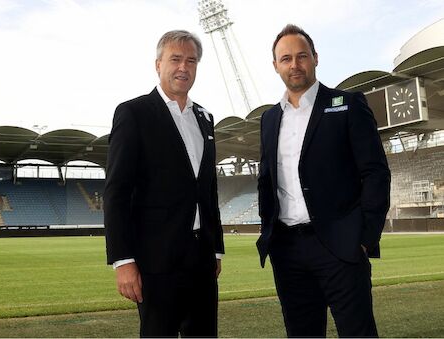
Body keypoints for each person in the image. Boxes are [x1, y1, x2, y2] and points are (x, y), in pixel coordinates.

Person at [256, 24, 391, 337]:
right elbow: (266, 180)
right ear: (275, 65)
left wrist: (365, 237)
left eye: (301, 56)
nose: (295, 64)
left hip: (341, 248)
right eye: (286, 58)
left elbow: (375, 172)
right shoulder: (270, 118)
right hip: (287, 250)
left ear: (315, 58)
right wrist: (270, 233)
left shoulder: (347, 104)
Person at [104, 29, 225, 337]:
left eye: (191, 60)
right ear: (158, 64)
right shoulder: (134, 113)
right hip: (156, 261)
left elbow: (208, 189)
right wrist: (123, 260)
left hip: (201, 259)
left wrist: (216, 250)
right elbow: (117, 191)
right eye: (175, 59)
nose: (183, 67)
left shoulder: (205, 117)